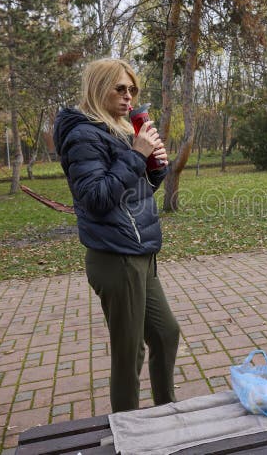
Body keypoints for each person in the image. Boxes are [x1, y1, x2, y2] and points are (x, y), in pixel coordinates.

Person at [53, 58, 179, 412]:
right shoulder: (83, 136)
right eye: (120, 88)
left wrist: (153, 169)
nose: (128, 97)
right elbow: (95, 199)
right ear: (98, 88)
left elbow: (130, 193)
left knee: (166, 334)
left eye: (132, 90)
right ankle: (129, 428)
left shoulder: (118, 130)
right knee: (129, 351)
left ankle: (166, 412)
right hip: (115, 257)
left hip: (140, 251)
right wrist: (136, 155)